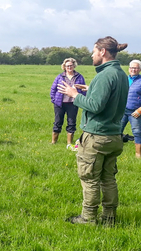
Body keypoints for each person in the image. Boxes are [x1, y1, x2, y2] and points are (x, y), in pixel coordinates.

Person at [58, 36, 129, 226]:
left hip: (97, 137)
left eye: (94, 51)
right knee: (108, 179)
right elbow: (109, 97)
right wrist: (91, 89)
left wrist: (74, 95)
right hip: (114, 136)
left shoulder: (105, 75)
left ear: (102, 52)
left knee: (89, 178)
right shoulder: (120, 73)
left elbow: (96, 106)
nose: (92, 55)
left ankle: (88, 218)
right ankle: (109, 218)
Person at [50, 58, 86, 148]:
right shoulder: (60, 77)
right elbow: (53, 89)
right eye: (67, 66)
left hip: (73, 103)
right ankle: (53, 142)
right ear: (64, 67)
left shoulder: (79, 77)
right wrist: (54, 100)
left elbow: (83, 89)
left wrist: (82, 100)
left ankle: (69, 143)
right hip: (60, 103)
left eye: (71, 65)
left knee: (71, 123)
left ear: (74, 66)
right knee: (58, 122)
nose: (69, 67)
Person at [120, 60, 141, 158]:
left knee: (137, 132)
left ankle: (138, 154)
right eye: (131, 68)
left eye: (135, 68)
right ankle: (115, 151)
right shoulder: (124, 79)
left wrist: (140, 110)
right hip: (122, 110)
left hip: (135, 112)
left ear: (139, 69)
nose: (133, 69)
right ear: (129, 69)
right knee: (117, 130)